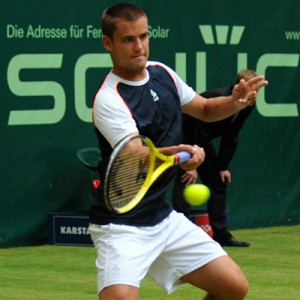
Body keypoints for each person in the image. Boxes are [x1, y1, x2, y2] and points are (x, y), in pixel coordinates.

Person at [89, 3, 268, 299]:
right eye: (128, 39)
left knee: (233, 287)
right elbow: (135, 153)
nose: (139, 46)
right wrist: (182, 154)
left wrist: (235, 102)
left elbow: (206, 109)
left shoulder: (162, 74)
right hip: (121, 226)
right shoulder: (109, 98)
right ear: (108, 43)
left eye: (144, 37)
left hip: (163, 218)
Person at [173, 70, 258, 248]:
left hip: (202, 139)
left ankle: (221, 235)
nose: (253, 94)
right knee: (185, 179)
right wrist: (191, 165)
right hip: (183, 134)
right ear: (238, 85)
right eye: (250, 88)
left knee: (217, 182)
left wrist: (222, 166)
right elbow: (198, 129)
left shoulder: (248, 103)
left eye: (255, 90)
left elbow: (232, 134)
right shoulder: (218, 96)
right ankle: (182, 237)